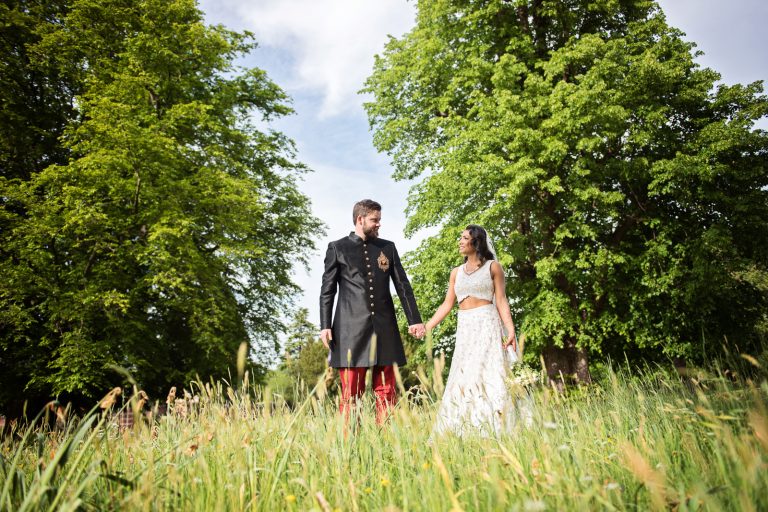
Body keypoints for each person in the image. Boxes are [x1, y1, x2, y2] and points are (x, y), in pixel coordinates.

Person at [320, 199, 426, 423]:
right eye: (374, 220)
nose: (379, 224)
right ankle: (348, 446)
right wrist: (325, 325)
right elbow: (327, 290)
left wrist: (414, 319)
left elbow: (403, 286)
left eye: (379, 220)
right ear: (360, 219)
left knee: (387, 393)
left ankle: (385, 443)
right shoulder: (337, 248)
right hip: (350, 331)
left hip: (384, 328)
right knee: (351, 395)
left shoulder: (387, 248)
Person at [425, 224, 523, 436]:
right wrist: (428, 326)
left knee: (489, 373)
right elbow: (447, 304)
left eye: (464, 238)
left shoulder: (493, 267)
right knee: (464, 374)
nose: (460, 242)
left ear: (475, 242)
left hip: (487, 323)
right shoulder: (455, 273)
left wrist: (510, 330)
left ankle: (497, 427)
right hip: (466, 327)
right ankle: (463, 428)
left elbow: (502, 300)